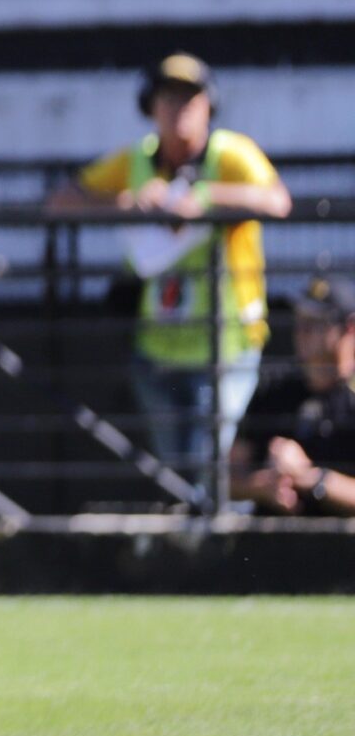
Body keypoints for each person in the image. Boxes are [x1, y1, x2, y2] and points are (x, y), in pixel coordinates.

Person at [48, 54, 290, 488]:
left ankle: (206, 541)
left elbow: (277, 201)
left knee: (206, 461)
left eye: (189, 99)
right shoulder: (136, 160)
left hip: (225, 341)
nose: (178, 109)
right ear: (151, 106)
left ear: (208, 106)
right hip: (157, 344)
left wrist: (204, 198)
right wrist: (124, 204)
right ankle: (193, 538)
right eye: (168, 99)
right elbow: (62, 201)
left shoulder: (231, 154)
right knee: (175, 467)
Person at [235, 279, 355, 515]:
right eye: (299, 319)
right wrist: (263, 488)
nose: (303, 330)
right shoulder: (273, 390)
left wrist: (310, 478)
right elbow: (225, 478)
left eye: (317, 322)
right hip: (267, 546)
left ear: (350, 329)